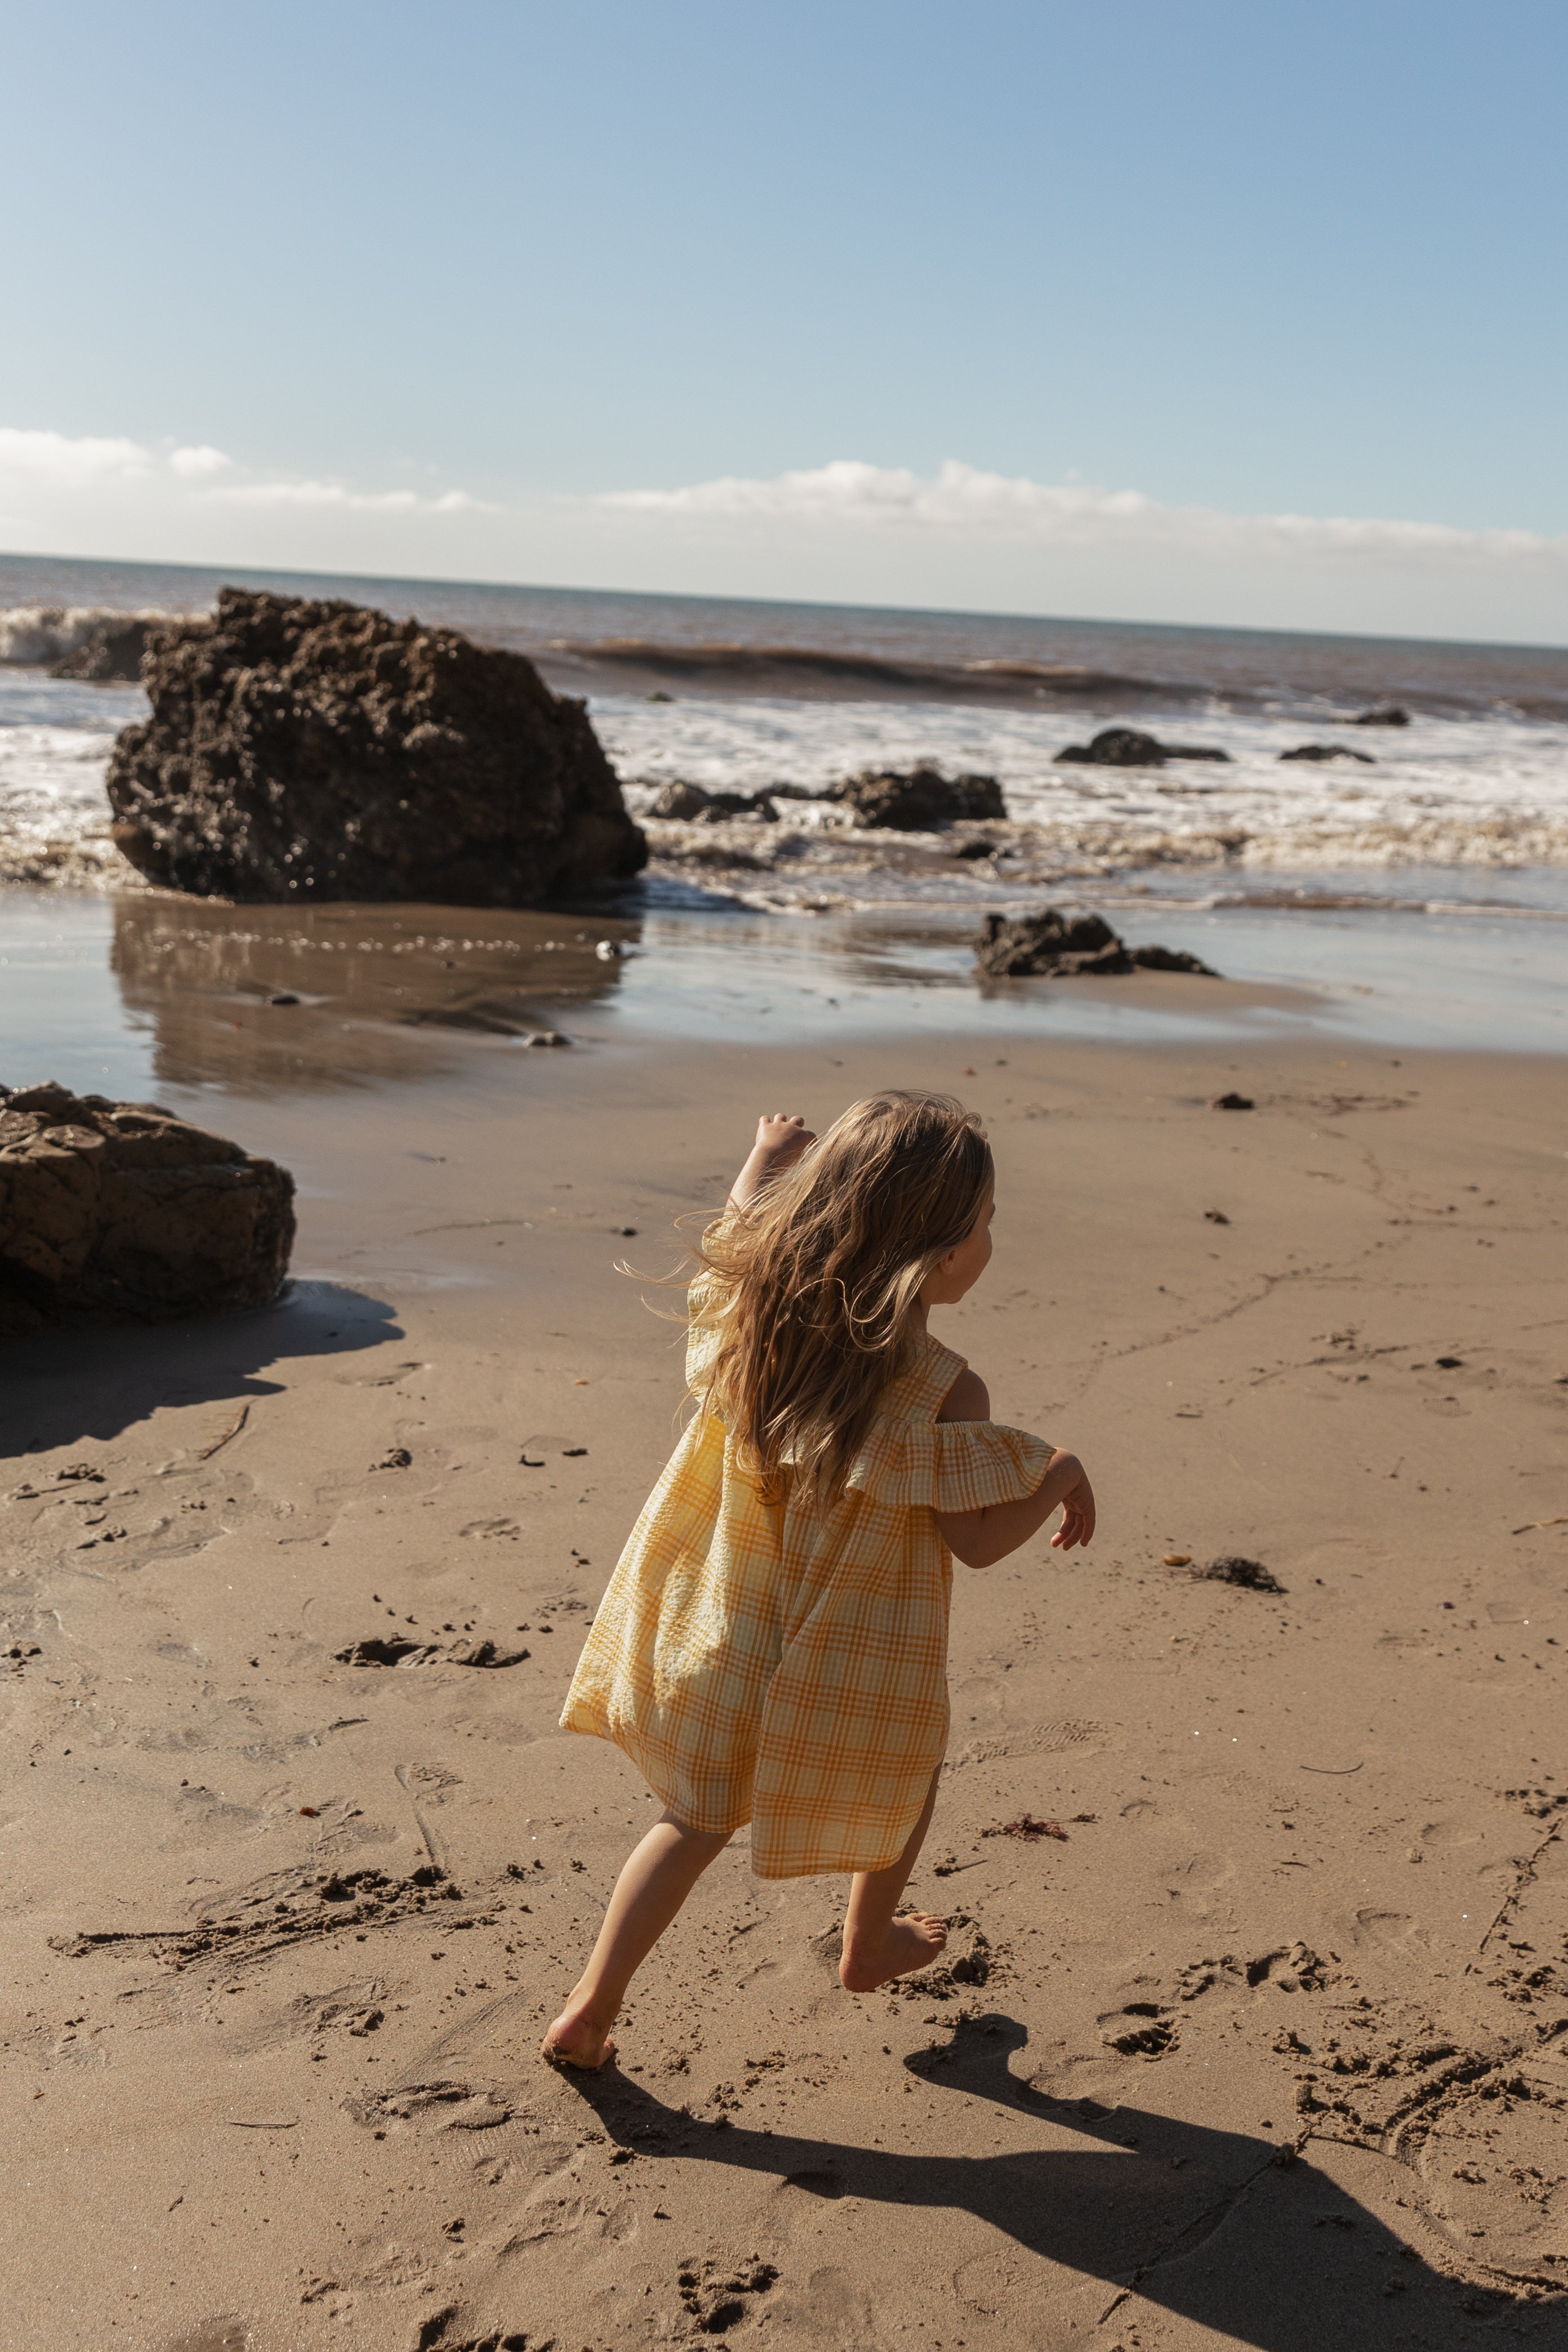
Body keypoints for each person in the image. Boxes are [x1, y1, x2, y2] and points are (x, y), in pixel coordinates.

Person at [542, 1090, 1095, 2069]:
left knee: (690, 1826)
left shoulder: (755, 1319)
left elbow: (741, 1230)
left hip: (722, 1637)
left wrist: (765, 1159)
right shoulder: (941, 1390)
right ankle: (868, 1943)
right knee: (911, 1768)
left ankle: (591, 2006)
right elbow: (974, 1543)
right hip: (848, 1660)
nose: (991, 1242)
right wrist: (1056, 1475)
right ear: (939, 1254)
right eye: (984, 1225)